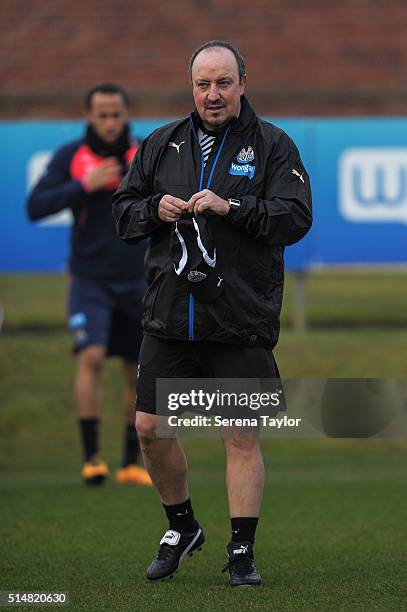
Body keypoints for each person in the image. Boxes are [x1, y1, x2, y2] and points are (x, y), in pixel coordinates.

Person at [112, 41, 312, 585]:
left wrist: (234, 207)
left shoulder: (273, 145)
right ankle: (182, 526)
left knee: (240, 435)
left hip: (238, 316)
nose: (213, 94)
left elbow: (295, 218)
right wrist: (153, 208)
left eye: (224, 82)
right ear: (191, 87)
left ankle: (242, 552)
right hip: (170, 318)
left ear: (243, 83)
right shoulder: (160, 144)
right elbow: (123, 215)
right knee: (150, 429)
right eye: (203, 84)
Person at [27, 83, 151, 487]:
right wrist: (85, 184)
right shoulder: (71, 157)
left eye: (117, 114)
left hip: (137, 278)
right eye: (102, 115)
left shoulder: (144, 153)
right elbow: (35, 206)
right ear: (89, 117)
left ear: (126, 114)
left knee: (136, 370)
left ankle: (132, 462)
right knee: (92, 356)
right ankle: (92, 457)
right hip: (89, 279)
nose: (110, 122)